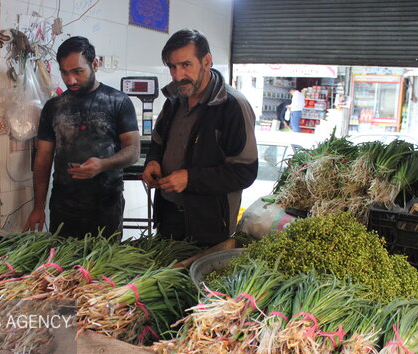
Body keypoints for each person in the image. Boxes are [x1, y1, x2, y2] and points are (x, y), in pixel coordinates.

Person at [142, 29, 258, 246]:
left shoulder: (232, 106)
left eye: (186, 65)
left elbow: (245, 172)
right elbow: (158, 141)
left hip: (209, 227)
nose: (177, 76)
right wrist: (153, 161)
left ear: (206, 62)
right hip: (168, 218)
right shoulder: (174, 100)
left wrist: (190, 179)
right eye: (172, 67)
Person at [23, 36, 140, 238]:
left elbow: (133, 151)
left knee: (103, 267)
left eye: (78, 71)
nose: (71, 80)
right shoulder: (53, 107)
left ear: (94, 64)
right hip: (63, 207)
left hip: (106, 205)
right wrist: (38, 207)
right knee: (62, 266)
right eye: (65, 73)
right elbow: (43, 159)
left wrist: (102, 165)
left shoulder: (118, 101)